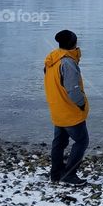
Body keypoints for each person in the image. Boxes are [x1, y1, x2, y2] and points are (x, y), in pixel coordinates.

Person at [44, 29, 89, 186]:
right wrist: (82, 104)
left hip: (57, 109)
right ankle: (69, 175)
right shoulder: (67, 63)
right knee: (82, 141)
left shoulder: (52, 60)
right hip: (70, 111)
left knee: (59, 143)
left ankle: (56, 174)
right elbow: (73, 89)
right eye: (76, 41)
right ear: (72, 44)